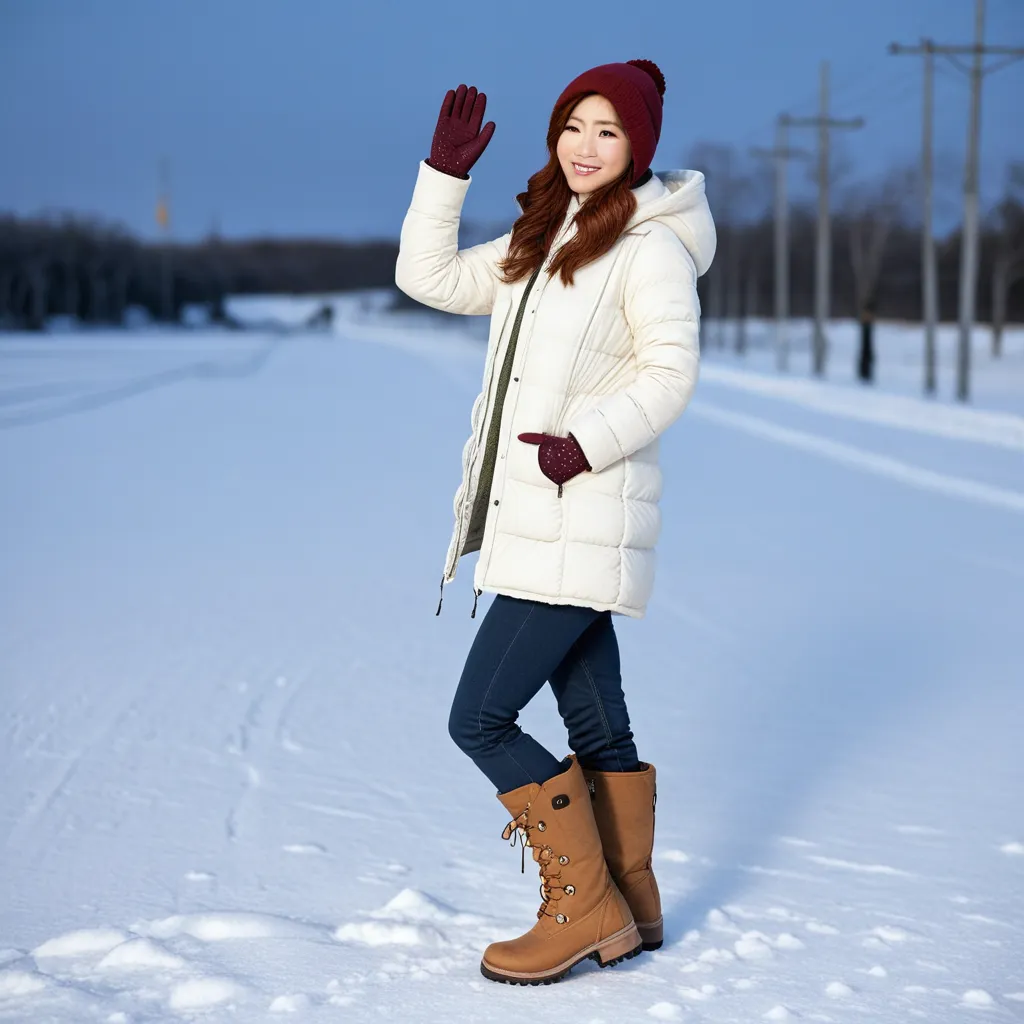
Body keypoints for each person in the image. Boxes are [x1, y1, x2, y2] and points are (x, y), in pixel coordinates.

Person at [395, 59, 716, 985]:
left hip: (578, 511)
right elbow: (430, 278)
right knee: (591, 716)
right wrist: (443, 176)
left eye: (609, 132)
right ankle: (632, 903)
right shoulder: (548, 234)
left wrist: (582, 441)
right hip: (541, 519)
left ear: (638, 149)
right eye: (575, 125)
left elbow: (670, 372)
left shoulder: (648, 247)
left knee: (480, 719)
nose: (586, 146)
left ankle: (581, 907)